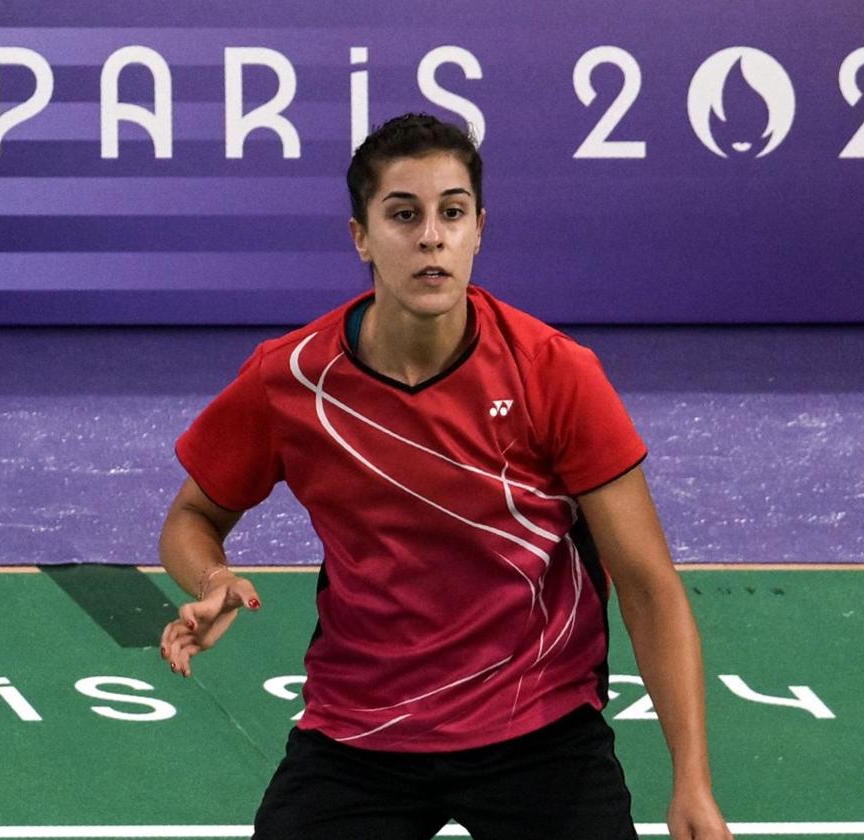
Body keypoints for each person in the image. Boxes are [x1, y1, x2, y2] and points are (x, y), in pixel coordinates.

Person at [158, 113, 733, 840]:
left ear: (479, 229)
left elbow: (648, 584)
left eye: (452, 213)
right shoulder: (293, 377)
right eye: (403, 215)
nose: (431, 236)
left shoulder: (553, 373)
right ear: (361, 237)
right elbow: (191, 517)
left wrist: (692, 781)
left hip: (538, 723)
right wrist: (211, 580)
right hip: (362, 733)